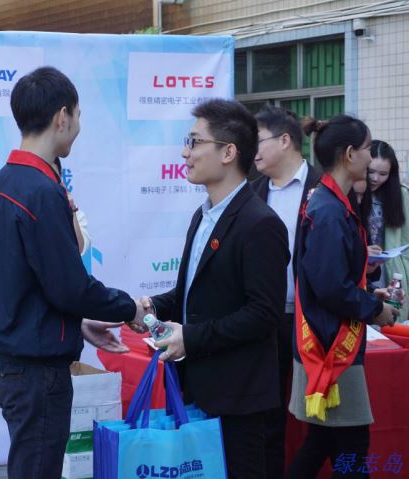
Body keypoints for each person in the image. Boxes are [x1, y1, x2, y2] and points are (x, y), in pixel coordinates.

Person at [0, 66, 146, 479]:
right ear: (62, 116)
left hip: (6, 360)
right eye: (79, 115)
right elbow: (70, 287)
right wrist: (129, 309)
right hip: (35, 369)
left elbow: (26, 284)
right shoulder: (41, 191)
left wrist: (78, 325)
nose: (79, 127)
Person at [139, 99, 290, 479]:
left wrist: (191, 338)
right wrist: (151, 307)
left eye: (194, 142)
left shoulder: (260, 224)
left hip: (238, 398)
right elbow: (192, 292)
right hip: (196, 390)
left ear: (228, 152)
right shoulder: (203, 215)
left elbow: (264, 314)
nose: (185, 153)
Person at [286, 115, 398, 479]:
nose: (370, 156)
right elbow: (331, 287)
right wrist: (376, 309)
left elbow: (329, 277)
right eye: (367, 148)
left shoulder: (330, 203)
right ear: (350, 154)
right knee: (351, 449)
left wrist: (365, 292)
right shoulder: (330, 210)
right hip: (331, 348)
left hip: (326, 338)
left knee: (322, 442)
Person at [250, 104, 322, 478]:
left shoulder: (323, 189)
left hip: (314, 319)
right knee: (269, 417)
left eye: (258, 141)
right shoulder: (251, 192)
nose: (252, 151)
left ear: (285, 140)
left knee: (322, 415)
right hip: (266, 319)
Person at [366, 140, 409, 321]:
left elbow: (406, 243)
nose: (375, 178)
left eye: (383, 174)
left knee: (390, 325)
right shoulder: (355, 192)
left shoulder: (401, 195)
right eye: (371, 171)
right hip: (364, 269)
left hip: (391, 272)